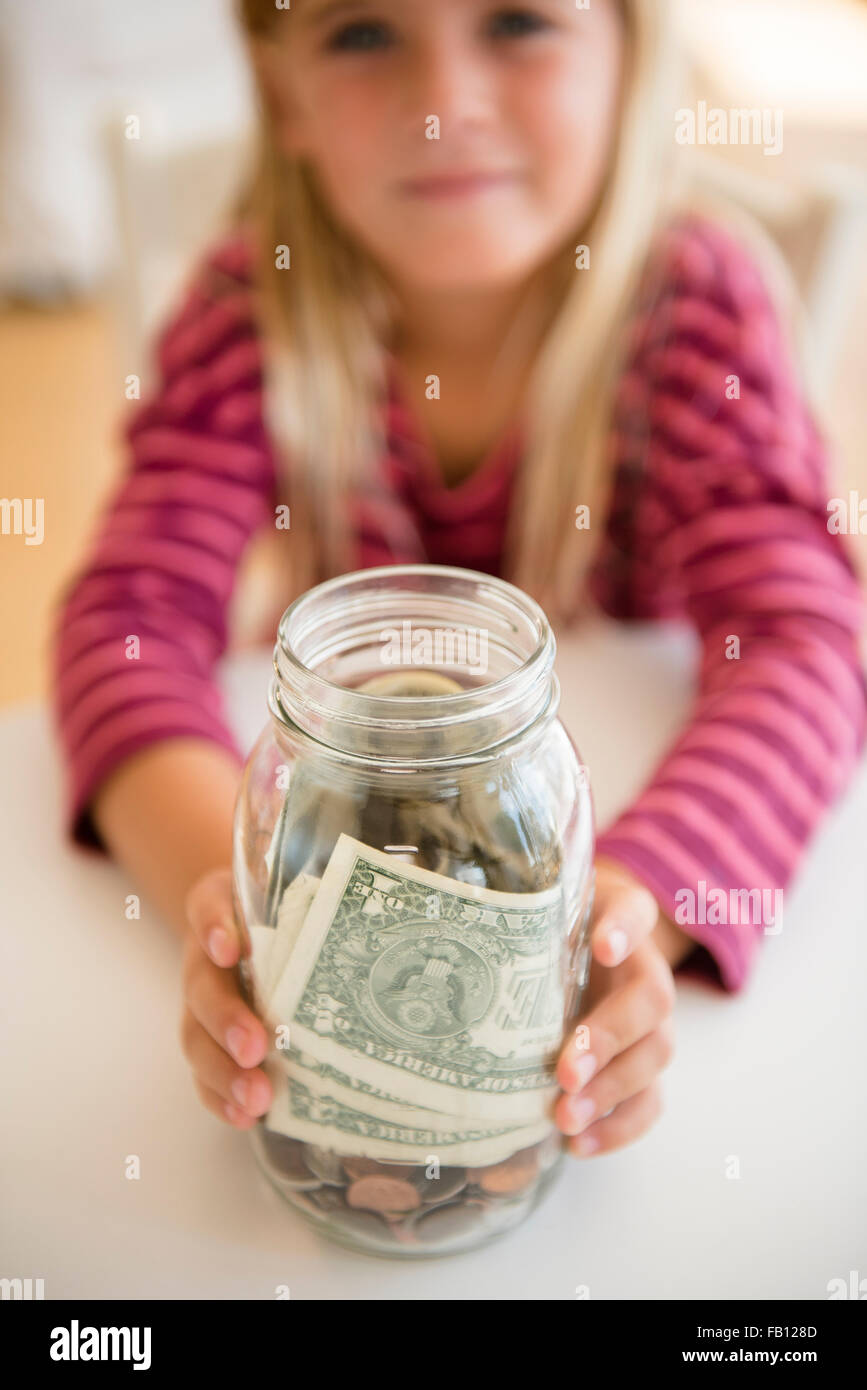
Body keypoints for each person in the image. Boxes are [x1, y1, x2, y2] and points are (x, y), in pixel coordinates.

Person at [51, 0, 866, 1162]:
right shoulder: (249, 313)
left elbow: (804, 639)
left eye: (520, 21)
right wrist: (246, 907)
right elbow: (123, 625)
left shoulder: (696, 314)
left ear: (631, 55)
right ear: (283, 93)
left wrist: (632, 913)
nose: (446, 105)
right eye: (364, 34)